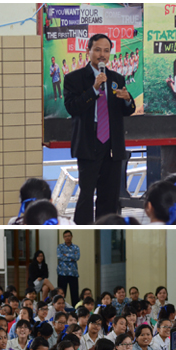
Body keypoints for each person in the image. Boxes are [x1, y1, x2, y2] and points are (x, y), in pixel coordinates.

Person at [64, 33, 136, 225]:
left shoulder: (117, 78)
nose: (102, 55)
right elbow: (72, 107)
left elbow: (127, 111)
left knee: (109, 195)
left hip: (112, 144)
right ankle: (84, 231)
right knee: (86, 194)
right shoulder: (74, 79)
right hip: (89, 143)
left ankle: (106, 230)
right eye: (97, 50)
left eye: (106, 51)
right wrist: (94, 89)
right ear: (88, 52)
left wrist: (128, 99)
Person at [57, 230, 80, 307]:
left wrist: (65, 255)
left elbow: (77, 257)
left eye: (69, 236)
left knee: (74, 294)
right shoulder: (60, 247)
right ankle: (61, 309)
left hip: (73, 273)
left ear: (71, 236)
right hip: (62, 273)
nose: (67, 238)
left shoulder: (76, 247)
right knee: (61, 294)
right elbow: (60, 257)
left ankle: (76, 311)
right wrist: (71, 256)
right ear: (63, 237)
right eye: (65, 236)